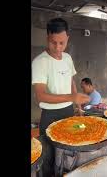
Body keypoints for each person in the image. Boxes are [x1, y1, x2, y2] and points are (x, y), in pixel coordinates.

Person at [32, 18, 90, 176]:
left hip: (68, 113)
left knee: (69, 154)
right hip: (50, 116)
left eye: (62, 43)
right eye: (53, 42)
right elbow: (41, 96)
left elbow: (71, 81)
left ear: (67, 39)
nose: (57, 48)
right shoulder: (40, 62)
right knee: (49, 160)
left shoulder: (67, 58)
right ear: (47, 39)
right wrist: (73, 98)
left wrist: (77, 107)